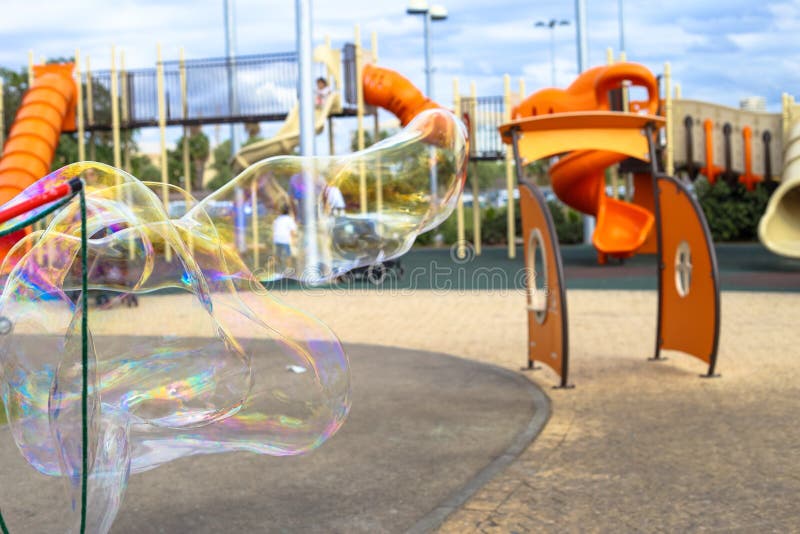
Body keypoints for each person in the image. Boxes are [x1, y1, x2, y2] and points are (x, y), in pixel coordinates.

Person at [272, 204, 297, 273]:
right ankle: (288, 270)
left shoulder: (277, 219)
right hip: (285, 239)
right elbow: (293, 231)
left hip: (277, 239)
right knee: (288, 255)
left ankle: (277, 270)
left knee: (278, 255)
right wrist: (294, 240)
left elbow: (274, 229)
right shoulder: (289, 219)